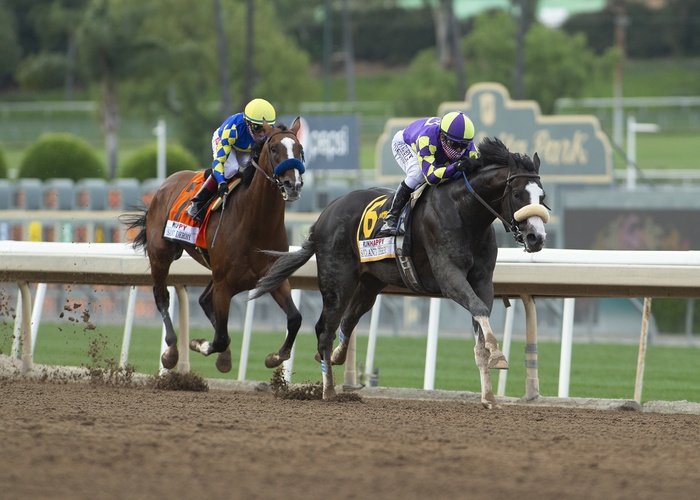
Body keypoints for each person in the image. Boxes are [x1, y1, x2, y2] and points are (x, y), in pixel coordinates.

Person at [377, 110, 480, 237]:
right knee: (417, 174)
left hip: (435, 149)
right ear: (442, 137)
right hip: (405, 143)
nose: (459, 150)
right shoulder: (427, 138)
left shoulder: (470, 147)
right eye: (454, 144)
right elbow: (431, 177)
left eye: (463, 145)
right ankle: (391, 218)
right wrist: (455, 167)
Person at [186, 98, 277, 222]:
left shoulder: (270, 132)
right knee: (230, 169)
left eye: (265, 128)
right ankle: (198, 201)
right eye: (257, 128)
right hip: (226, 142)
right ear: (247, 122)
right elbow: (219, 161)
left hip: (245, 149)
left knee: (257, 168)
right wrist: (222, 183)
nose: (262, 133)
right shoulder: (232, 130)